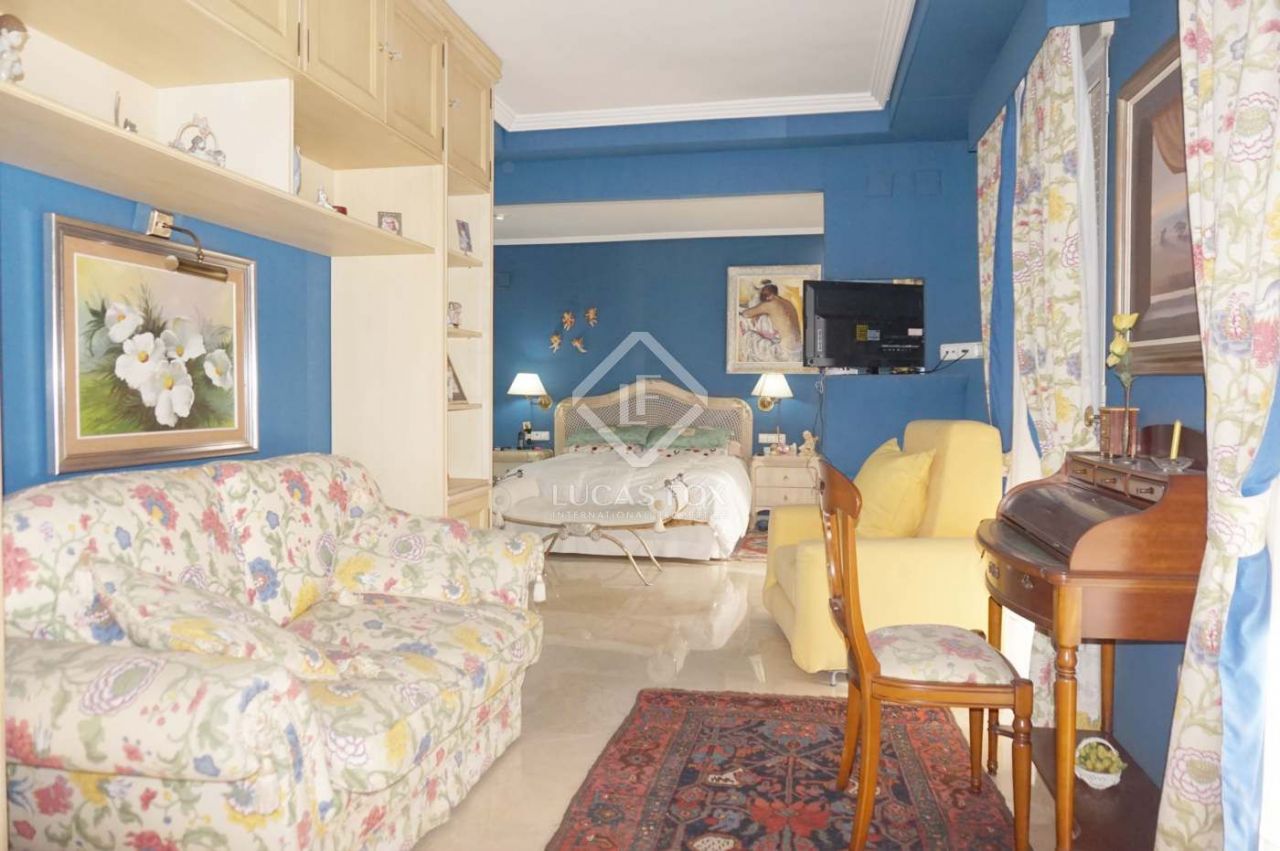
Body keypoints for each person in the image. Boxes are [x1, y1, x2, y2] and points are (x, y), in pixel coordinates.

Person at [741, 280, 802, 359]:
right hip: (798, 349)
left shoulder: (770, 304)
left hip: (786, 351)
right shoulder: (788, 303)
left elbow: (746, 314)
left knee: (749, 335)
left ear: (765, 295)